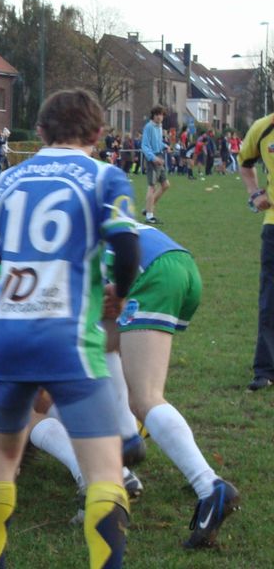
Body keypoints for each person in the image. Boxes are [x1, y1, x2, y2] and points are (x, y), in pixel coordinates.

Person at [0, 88, 139, 569]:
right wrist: (118, 291)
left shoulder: (7, 179)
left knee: (2, 455)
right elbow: (127, 244)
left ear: (38, 132)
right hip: (69, 336)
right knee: (104, 471)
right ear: (99, 134)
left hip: (10, 334)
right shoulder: (106, 176)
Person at [104, 222, 239, 548]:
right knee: (106, 339)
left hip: (152, 273)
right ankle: (128, 438)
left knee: (145, 398)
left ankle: (210, 487)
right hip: (179, 263)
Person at [239, 112, 274, 391]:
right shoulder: (263, 129)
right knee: (270, 301)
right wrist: (254, 193)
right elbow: (245, 163)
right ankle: (265, 370)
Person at [141, 105, 170, 224]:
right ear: (153, 115)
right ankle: (149, 215)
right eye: (157, 114)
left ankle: (148, 208)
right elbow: (145, 146)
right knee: (152, 187)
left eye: (161, 115)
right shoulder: (148, 127)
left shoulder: (159, 127)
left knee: (166, 185)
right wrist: (153, 158)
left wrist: (165, 146)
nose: (159, 117)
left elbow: (157, 142)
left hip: (159, 157)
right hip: (152, 159)